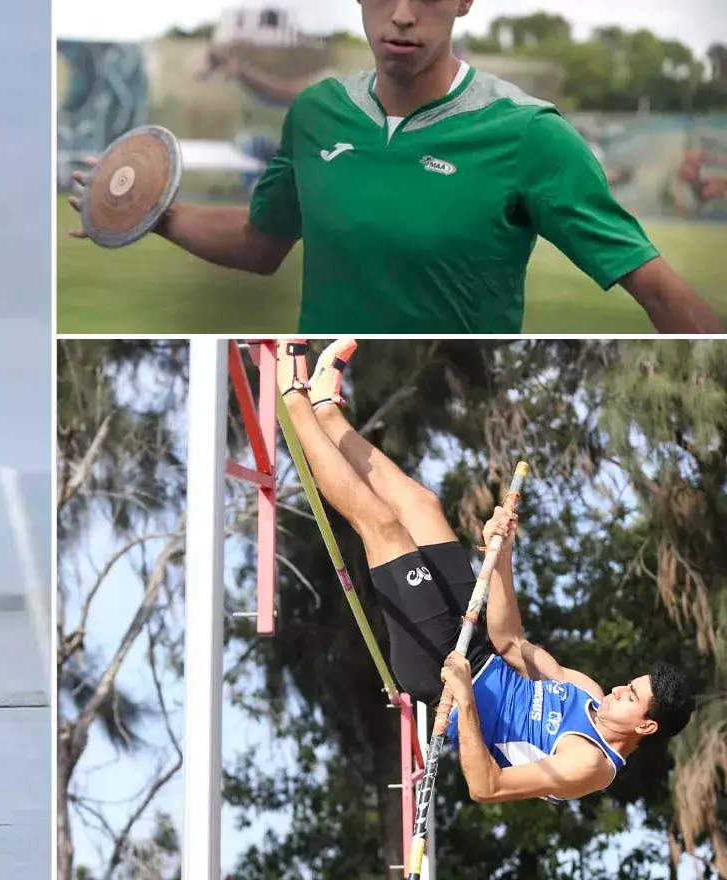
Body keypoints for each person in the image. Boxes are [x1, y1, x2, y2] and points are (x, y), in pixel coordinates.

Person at [66, 0, 720, 334]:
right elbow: (258, 243)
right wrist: (156, 213)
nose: (403, 15)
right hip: (326, 400)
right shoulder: (317, 113)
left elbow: (660, 290)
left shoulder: (530, 137)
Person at [276, 338, 694, 803]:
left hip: (441, 671)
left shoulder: (589, 763)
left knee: (384, 529)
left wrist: (465, 698)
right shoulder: (586, 692)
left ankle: (290, 399)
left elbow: (486, 786)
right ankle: (326, 409)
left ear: (646, 725)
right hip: (477, 646)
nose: (618, 689)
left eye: (630, 696)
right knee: (422, 505)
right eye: (629, 684)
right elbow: (511, 642)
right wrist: (504, 558)